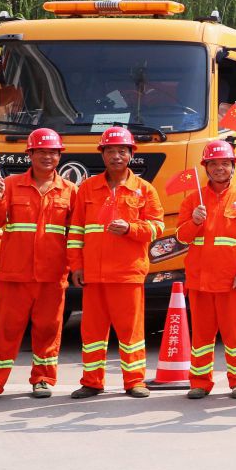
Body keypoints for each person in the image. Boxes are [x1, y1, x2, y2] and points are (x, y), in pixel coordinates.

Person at [0, 128, 76, 403]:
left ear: (59, 156)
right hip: (15, 274)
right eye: (41, 151)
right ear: (29, 154)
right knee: (5, 331)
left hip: (52, 275)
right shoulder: (9, 185)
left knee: (48, 330)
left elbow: (77, 234)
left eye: (52, 152)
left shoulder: (70, 191)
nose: (47, 157)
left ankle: (43, 379)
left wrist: (76, 267)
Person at [68, 126, 165, 399]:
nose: (116, 156)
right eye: (110, 150)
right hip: (93, 274)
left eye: (122, 150)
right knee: (92, 332)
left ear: (131, 154)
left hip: (127, 273)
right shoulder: (87, 188)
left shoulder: (144, 190)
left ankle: (134, 381)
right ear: (102, 154)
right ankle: (92, 382)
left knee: (130, 331)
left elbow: (157, 228)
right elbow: (76, 232)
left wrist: (131, 229)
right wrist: (76, 266)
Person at [177, 140, 236, 399]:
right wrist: (194, 222)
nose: (219, 168)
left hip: (232, 282)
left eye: (225, 163)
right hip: (200, 283)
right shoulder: (193, 199)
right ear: (206, 167)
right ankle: (199, 383)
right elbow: (182, 237)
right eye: (214, 164)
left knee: (235, 336)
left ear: (233, 167)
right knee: (202, 338)